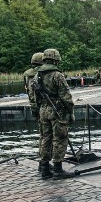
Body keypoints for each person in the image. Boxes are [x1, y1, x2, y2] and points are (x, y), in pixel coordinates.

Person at [35, 48, 75, 178]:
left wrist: (39, 109)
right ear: (56, 60)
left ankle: (45, 169)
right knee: (60, 138)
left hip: (43, 110)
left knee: (45, 138)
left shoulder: (37, 75)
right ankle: (58, 169)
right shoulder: (57, 75)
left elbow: (36, 97)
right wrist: (71, 112)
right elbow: (66, 97)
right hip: (56, 111)